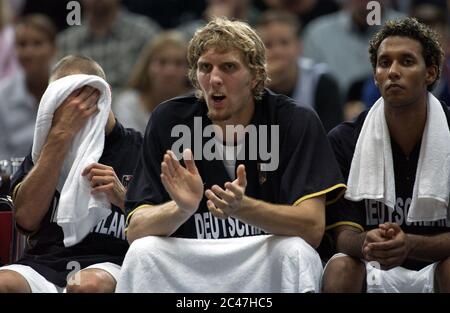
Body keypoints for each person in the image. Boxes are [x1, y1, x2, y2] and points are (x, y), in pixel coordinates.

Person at [119, 17, 345, 293]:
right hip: (194, 256)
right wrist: (181, 209)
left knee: (295, 251)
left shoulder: (294, 120)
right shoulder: (169, 119)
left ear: (256, 76)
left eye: (228, 67)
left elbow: (312, 227)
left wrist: (243, 208)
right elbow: (135, 231)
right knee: (144, 251)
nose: (214, 79)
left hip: (261, 254)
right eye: (205, 67)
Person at [322, 17, 450, 293]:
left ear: (430, 73)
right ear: (375, 75)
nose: (392, 71)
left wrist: (411, 244)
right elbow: (341, 234)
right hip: (372, 270)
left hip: (436, 270)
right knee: (341, 267)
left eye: (406, 61)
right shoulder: (344, 139)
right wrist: (366, 242)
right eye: (384, 63)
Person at [0, 55, 142, 293]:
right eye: (62, 99)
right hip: (45, 263)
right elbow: (25, 219)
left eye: (82, 96)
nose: (74, 108)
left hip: (113, 260)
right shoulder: (46, 149)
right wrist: (60, 136)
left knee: (85, 285)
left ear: (104, 94)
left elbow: (164, 229)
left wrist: (123, 198)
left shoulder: (141, 149)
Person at [255, 9, 342, 132]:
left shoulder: (322, 82)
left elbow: (330, 141)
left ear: (299, 47)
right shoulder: (252, 86)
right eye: (268, 45)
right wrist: (261, 89)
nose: (277, 52)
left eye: (284, 43)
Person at [0, 14, 57, 160]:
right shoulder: (2, 95)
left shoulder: (70, 90)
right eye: (22, 44)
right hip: (15, 179)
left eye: (37, 43)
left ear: (54, 48)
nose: (29, 52)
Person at [113, 30, 191, 134]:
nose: (169, 72)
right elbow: (129, 147)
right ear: (147, 67)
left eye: (178, 63)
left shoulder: (198, 103)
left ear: (190, 69)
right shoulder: (128, 104)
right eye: (162, 62)